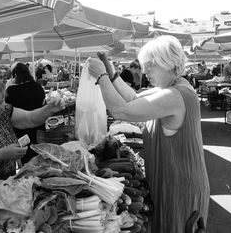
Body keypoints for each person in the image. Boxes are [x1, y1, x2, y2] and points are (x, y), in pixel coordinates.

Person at [88, 35, 210, 233]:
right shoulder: (175, 86)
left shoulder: (174, 95)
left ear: (166, 63)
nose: (144, 71)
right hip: (172, 181)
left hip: (180, 186)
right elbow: (133, 98)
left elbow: (122, 111)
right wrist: (111, 75)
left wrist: (101, 77)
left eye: (149, 65)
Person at [5, 63, 46, 164]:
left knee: (25, 159)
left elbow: (6, 109)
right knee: (40, 156)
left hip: (21, 130)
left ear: (15, 75)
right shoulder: (38, 87)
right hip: (38, 126)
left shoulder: (11, 90)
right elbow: (43, 103)